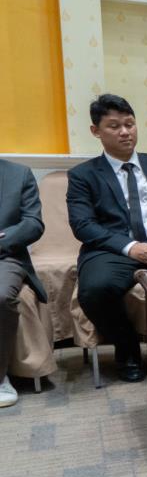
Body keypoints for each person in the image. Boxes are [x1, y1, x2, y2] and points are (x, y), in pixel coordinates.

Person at [68, 94, 147, 383]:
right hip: (116, 251)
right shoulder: (83, 175)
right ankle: (127, 351)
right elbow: (83, 225)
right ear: (96, 131)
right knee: (95, 291)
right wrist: (131, 247)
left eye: (130, 124)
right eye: (114, 126)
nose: (125, 132)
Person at [0, 160, 48, 408]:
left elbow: (33, 223)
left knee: (1, 296)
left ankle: (0, 378)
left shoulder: (18, 174)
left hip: (5, 254)